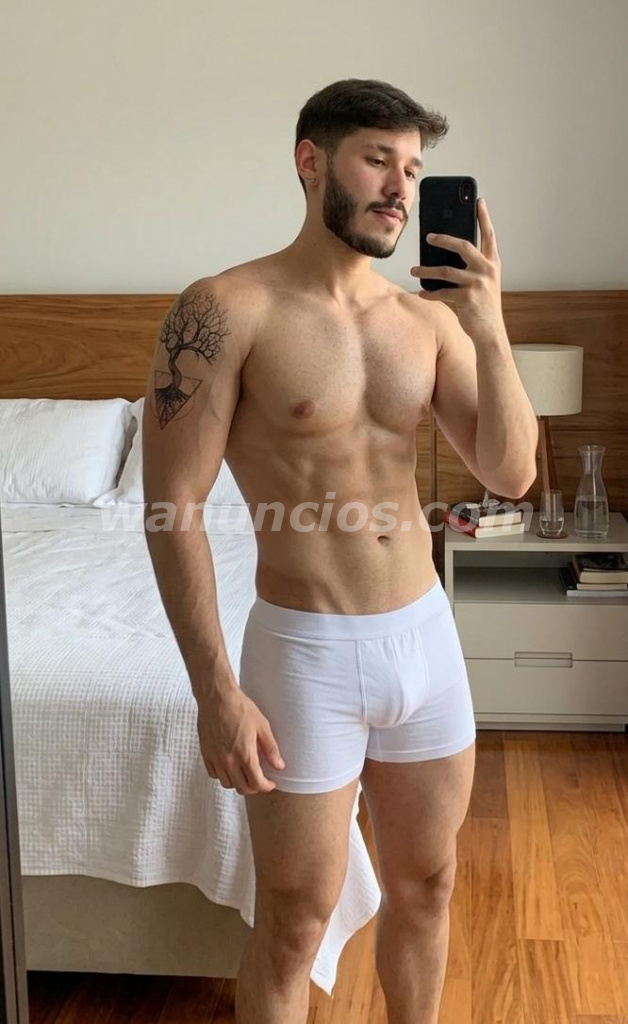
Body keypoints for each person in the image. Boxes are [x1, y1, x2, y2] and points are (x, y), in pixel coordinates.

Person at [142, 79, 538, 1024]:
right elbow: (172, 506)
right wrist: (215, 691)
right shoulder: (225, 310)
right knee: (294, 924)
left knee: (428, 888)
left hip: (424, 641)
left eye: (414, 169)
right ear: (310, 160)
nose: (400, 188)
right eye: (377, 160)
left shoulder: (429, 323)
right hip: (305, 654)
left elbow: (512, 472)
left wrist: (489, 327)